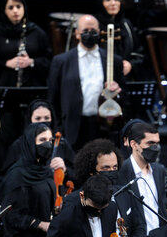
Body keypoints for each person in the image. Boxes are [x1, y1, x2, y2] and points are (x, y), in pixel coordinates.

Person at [0, 0, 52, 182]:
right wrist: (6, 64)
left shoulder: (36, 32)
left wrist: (32, 62)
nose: (15, 11)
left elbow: (49, 59)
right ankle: (4, 177)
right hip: (5, 96)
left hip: (32, 94)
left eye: (18, 7)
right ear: (4, 11)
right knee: (4, 136)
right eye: (10, 7)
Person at [48, 14, 124, 150]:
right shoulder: (61, 61)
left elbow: (125, 95)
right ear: (77, 34)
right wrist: (58, 128)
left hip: (102, 126)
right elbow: (53, 99)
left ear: (100, 32)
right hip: (73, 128)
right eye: (85, 31)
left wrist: (117, 91)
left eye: (93, 31)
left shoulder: (113, 60)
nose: (90, 34)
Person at [0, 123, 55, 237]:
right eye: (42, 140)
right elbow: (10, 215)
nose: (48, 144)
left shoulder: (46, 171)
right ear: (31, 142)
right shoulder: (16, 175)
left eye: (50, 140)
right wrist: (41, 224)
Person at [0, 99, 75, 190]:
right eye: (38, 118)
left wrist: (65, 169)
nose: (43, 122)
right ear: (30, 120)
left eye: (46, 118)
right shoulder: (19, 145)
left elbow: (77, 175)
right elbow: (4, 179)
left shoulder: (61, 143)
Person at [117, 121, 167, 235]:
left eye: (157, 143)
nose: (155, 148)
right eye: (150, 143)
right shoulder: (121, 172)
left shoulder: (159, 171)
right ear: (134, 144)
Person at [95, 0, 145, 79]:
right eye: (108, 0)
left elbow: (139, 53)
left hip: (125, 76)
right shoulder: (95, 25)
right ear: (101, 3)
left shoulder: (126, 24)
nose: (113, 3)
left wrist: (130, 64)